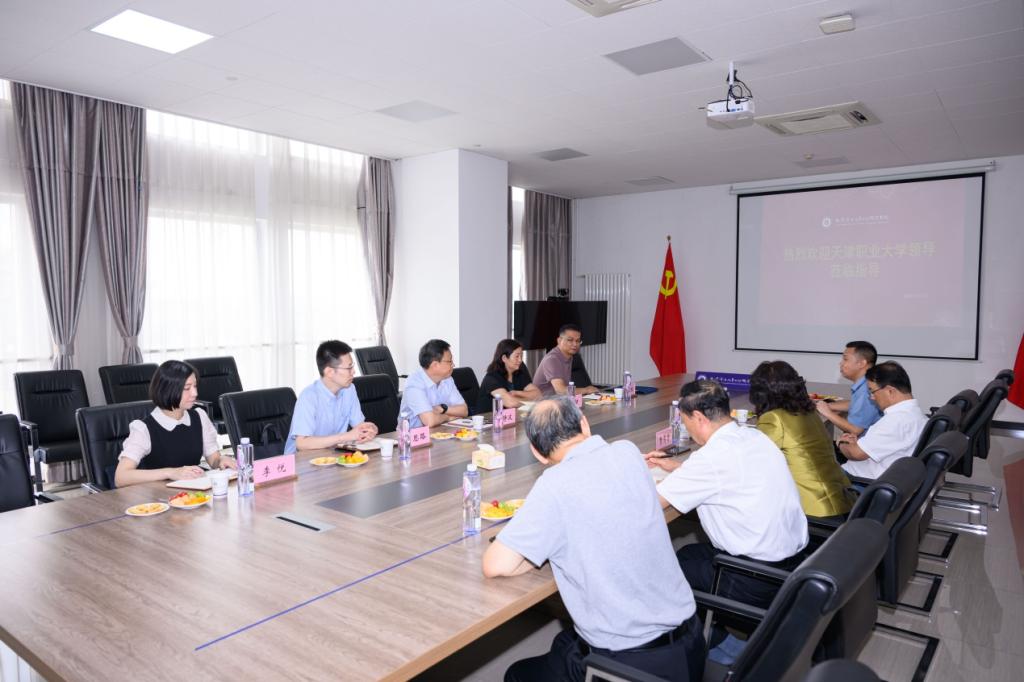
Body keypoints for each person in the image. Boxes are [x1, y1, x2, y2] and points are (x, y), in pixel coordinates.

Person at [483, 396, 704, 682]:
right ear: (585, 424)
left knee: (518, 675)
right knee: (564, 643)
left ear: (537, 453)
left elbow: (495, 565)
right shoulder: (627, 452)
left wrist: (542, 550)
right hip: (692, 643)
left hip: (632, 667)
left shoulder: (553, 485)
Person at [647, 379, 808, 608]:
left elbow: (650, 504)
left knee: (658, 574)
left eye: (684, 420)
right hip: (793, 566)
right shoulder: (754, 436)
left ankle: (693, 626)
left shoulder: (711, 458)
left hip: (752, 577)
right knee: (687, 554)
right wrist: (680, 468)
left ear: (699, 418)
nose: (686, 428)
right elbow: (729, 476)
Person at [749, 361, 855, 519]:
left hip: (814, 511)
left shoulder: (774, 418)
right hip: (843, 500)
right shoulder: (808, 412)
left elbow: (754, 461)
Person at [114, 360, 236, 487]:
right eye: (187, 388)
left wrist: (221, 460)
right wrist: (170, 472)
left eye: (195, 386)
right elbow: (121, 477)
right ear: (167, 389)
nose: (195, 393)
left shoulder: (199, 417)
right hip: (158, 496)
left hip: (194, 493)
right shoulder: (144, 429)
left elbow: (213, 459)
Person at [285, 340, 378, 454]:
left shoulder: (349, 389)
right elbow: (302, 443)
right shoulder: (309, 396)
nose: (353, 372)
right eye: (349, 368)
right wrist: (345, 437)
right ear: (329, 372)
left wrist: (368, 430)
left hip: (332, 455)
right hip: (301, 460)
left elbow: (359, 427)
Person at [839, 361, 927, 480]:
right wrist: (858, 444)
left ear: (890, 391)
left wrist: (842, 442)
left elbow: (856, 453)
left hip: (856, 480)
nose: (872, 397)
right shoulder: (917, 415)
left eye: (872, 391)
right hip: (880, 475)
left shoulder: (895, 421)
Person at [816, 341, 883, 436]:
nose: (841, 363)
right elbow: (856, 405)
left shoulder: (866, 390)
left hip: (864, 443)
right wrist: (828, 406)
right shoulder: (866, 384)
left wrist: (827, 412)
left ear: (861, 363)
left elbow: (855, 429)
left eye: (845, 359)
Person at [398, 339, 468, 428]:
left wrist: (443, 409)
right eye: (449, 361)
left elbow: (464, 410)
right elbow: (430, 421)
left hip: (440, 431)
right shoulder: (414, 383)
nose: (453, 365)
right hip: (411, 435)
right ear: (435, 365)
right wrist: (448, 417)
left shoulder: (447, 379)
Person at [532, 324, 600, 396]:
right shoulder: (552, 359)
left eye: (578, 341)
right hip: (543, 401)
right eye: (570, 340)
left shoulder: (569, 356)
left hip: (560, 399)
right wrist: (586, 390)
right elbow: (561, 390)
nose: (575, 344)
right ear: (559, 340)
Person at [477, 339, 542, 413]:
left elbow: (538, 395)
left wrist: (516, 393)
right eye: (517, 356)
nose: (520, 360)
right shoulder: (491, 378)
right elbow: (510, 403)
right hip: (489, 418)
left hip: (511, 416)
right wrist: (528, 400)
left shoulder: (518, 374)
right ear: (504, 358)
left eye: (521, 356)